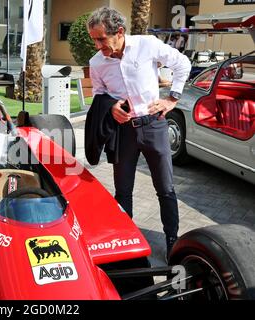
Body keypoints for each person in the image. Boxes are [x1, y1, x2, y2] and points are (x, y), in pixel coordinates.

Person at [86, 7, 191, 261]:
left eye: (101, 39)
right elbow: (99, 93)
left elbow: (182, 63)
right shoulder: (97, 62)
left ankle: (172, 241)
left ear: (119, 32)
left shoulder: (147, 45)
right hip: (123, 132)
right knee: (122, 191)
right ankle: (126, 241)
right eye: (94, 40)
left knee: (165, 188)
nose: (98, 46)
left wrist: (172, 99)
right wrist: (111, 106)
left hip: (154, 125)